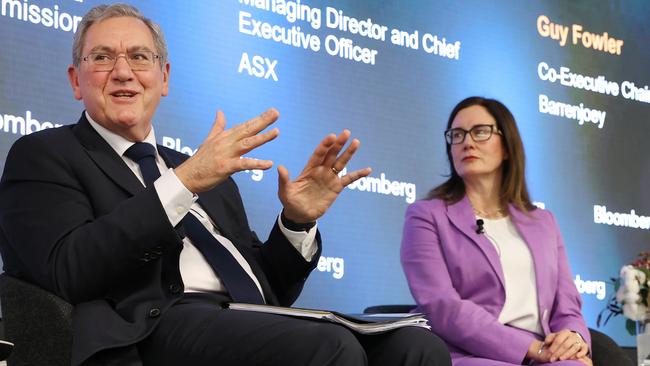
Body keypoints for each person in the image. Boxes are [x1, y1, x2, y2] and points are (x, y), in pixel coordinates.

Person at [0, 4, 451, 366]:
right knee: (329, 348)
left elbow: (266, 289)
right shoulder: (45, 155)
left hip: (240, 322)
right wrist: (183, 183)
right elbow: (69, 269)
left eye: (139, 57)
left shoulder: (199, 170)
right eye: (102, 58)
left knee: (417, 349)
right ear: (76, 81)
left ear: (164, 78)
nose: (123, 71)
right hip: (149, 329)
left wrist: (296, 222)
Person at [400, 96, 592, 366]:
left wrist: (574, 338)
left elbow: (567, 304)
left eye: (480, 132)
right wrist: (531, 348)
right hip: (468, 352)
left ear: (507, 147)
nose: (467, 142)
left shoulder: (543, 222)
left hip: (543, 351)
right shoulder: (426, 216)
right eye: (457, 135)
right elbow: (441, 305)